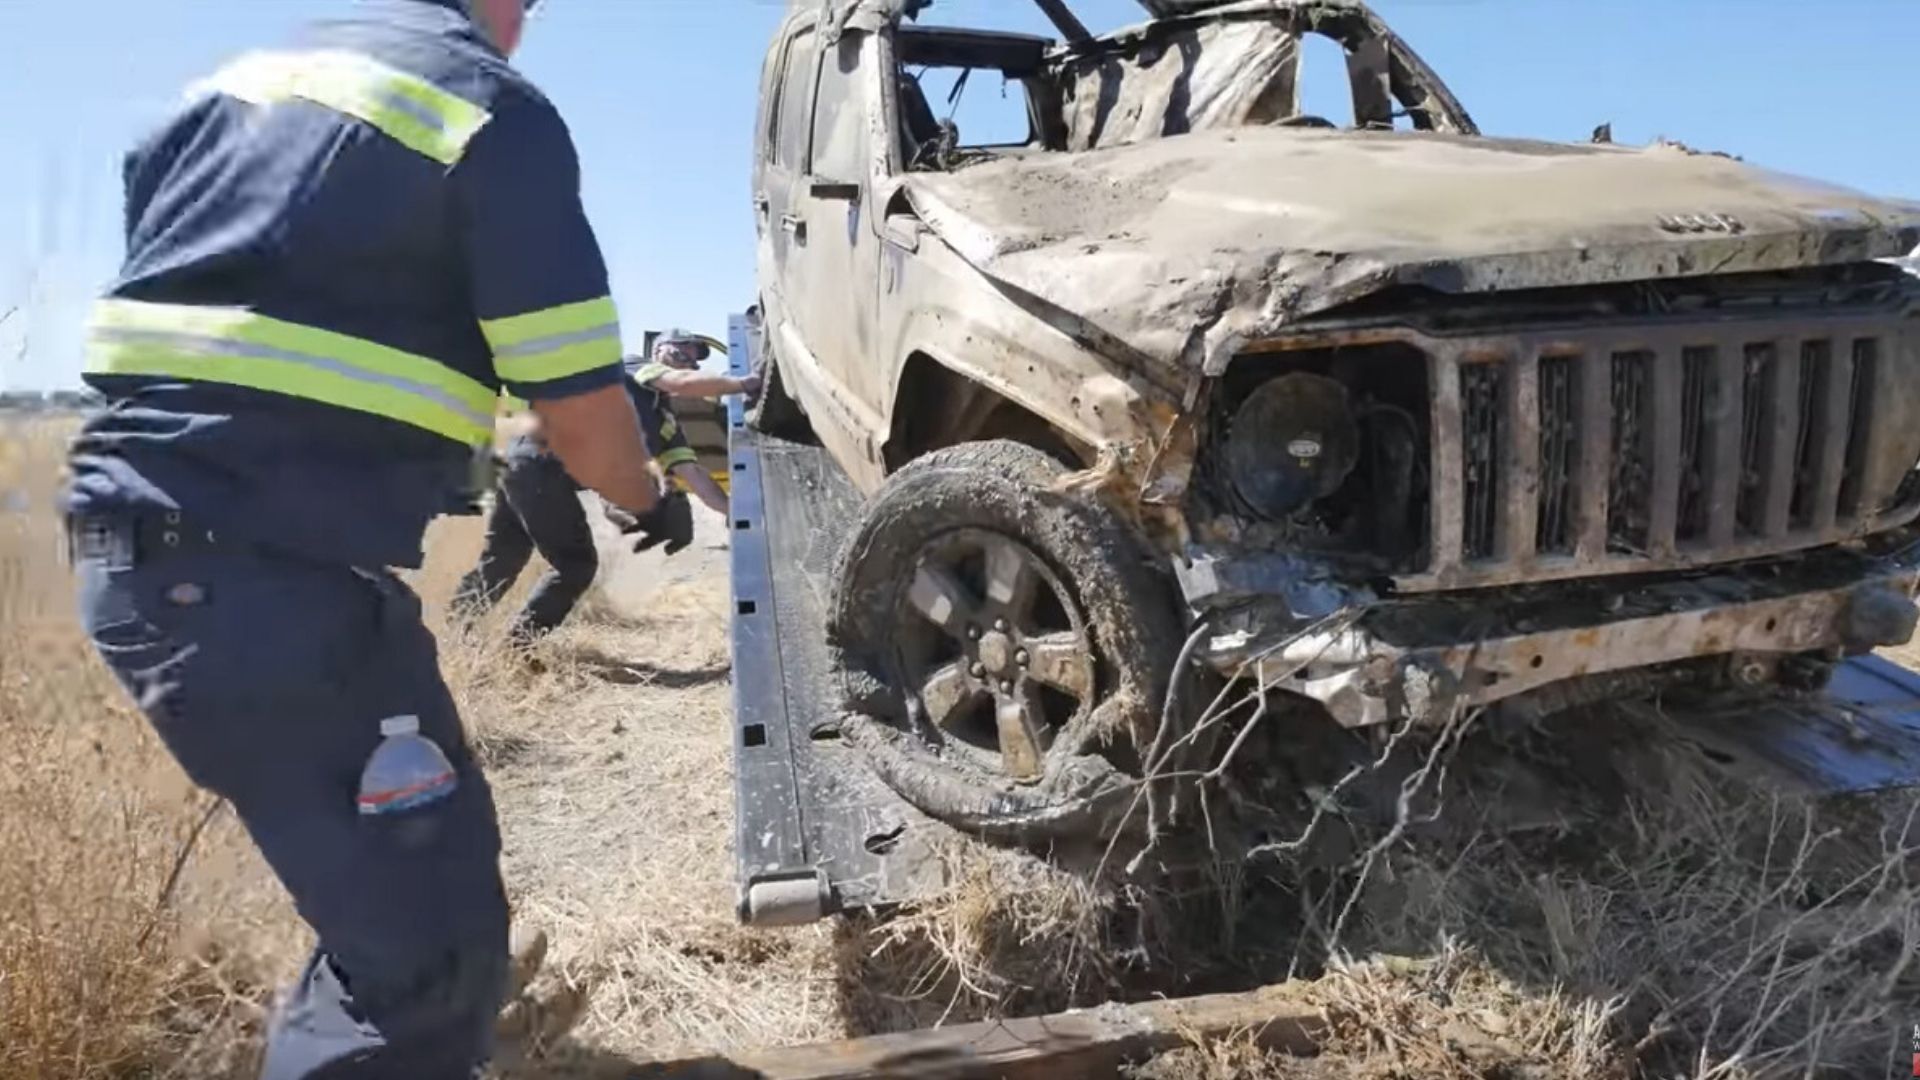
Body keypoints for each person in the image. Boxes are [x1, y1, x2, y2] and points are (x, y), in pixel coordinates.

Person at [61, 1, 678, 1075]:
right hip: (263, 582)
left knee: (409, 914)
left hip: (153, 560)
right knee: (426, 962)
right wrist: (649, 497)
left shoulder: (223, 95)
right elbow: (580, 411)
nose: (524, 22)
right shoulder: (484, 110)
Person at [626, 328, 759, 516]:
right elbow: (680, 382)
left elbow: (693, 474)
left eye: (692, 363)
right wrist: (744, 384)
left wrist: (734, 512)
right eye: (681, 354)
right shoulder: (632, 365)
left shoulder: (667, 424)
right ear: (658, 351)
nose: (687, 364)